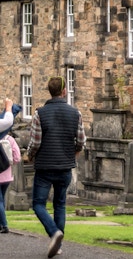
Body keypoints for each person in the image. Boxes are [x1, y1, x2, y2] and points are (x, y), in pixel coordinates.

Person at [27, 77, 86, 259]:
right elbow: (81, 141)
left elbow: (35, 143)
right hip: (65, 167)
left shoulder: (39, 113)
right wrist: (73, 153)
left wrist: (29, 156)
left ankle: (54, 233)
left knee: (38, 204)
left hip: (45, 167)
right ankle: (57, 245)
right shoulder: (75, 113)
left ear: (49, 91)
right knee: (59, 204)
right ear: (64, 91)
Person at [0, 131, 21, 233]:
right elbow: (17, 157)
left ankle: (4, 225)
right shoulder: (10, 139)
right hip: (7, 175)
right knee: (2, 200)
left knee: (0, 201)